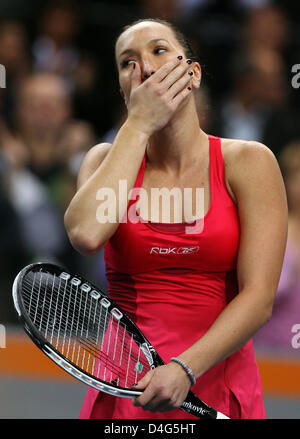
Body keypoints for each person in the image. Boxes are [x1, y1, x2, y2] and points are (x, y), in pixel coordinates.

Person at [64, 18, 288, 419]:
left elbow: (259, 298)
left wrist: (185, 368)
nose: (146, 69)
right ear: (122, 90)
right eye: (128, 63)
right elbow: (85, 232)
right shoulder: (103, 161)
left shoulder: (249, 162)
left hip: (217, 386)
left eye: (159, 51)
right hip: (125, 394)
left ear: (194, 74)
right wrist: (138, 124)